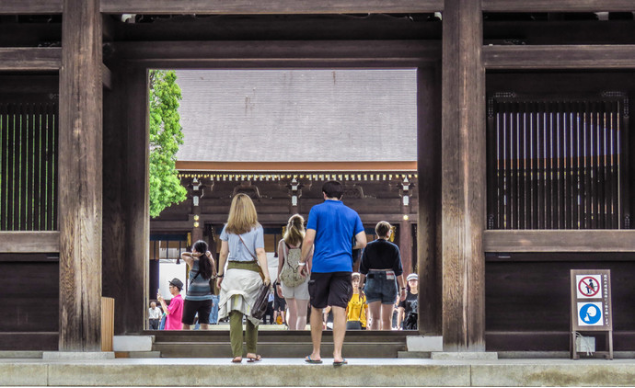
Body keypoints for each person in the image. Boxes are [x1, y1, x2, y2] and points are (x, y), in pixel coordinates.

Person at [298, 180, 367, 366]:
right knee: (339, 310)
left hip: (321, 266)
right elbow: (362, 241)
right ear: (342, 196)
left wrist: (301, 262)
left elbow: (309, 239)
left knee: (317, 308)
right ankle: (337, 354)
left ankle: (316, 353)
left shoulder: (317, 211)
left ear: (324, 194)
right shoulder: (352, 214)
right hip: (343, 266)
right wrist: (347, 245)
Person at [216, 193, 271, 363]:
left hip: (232, 274)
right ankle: (252, 351)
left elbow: (223, 253)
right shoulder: (257, 228)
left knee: (235, 315)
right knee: (253, 314)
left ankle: (237, 353)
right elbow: (260, 252)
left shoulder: (227, 228)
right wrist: (267, 275)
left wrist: (220, 274)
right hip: (251, 274)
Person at [359, 221, 407, 331]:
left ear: (377, 232)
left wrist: (360, 286)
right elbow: (398, 271)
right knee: (387, 319)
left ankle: (375, 344)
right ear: (387, 233)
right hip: (389, 279)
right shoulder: (393, 248)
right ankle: (387, 343)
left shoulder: (368, 247)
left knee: (375, 318)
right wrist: (403, 288)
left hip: (372, 280)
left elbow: (363, 270)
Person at [276, 214, 312, 331]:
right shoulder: (307, 243)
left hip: (286, 280)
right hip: (303, 279)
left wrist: (278, 282)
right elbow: (310, 266)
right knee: (302, 314)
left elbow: (280, 265)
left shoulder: (282, 243)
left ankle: (291, 338)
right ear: (302, 227)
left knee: (292, 313)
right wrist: (313, 282)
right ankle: (299, 338)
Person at [181, 240, 217, 330]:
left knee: (186, 323)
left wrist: (194, 255)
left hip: (192, 298)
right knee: (205, 325)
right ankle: (206, 343)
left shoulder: (192, 262)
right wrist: (209, 256)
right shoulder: (209, 264)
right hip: (206, 298)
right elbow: (215, 273)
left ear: (195, 250)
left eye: (193, 249)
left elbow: (182, 254)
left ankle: (185, 343)